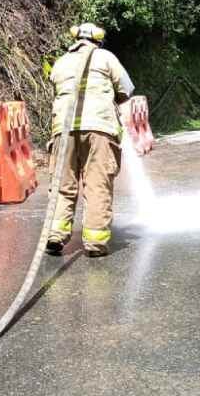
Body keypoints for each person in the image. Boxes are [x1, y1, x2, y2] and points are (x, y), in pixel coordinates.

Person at [46, 22, 148, 257]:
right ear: (98, 40)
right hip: (99, 129)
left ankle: (56, 235)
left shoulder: (61, 62)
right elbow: (125, 90)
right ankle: (95, 242)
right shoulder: (106, 57)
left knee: (63, 184)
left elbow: (55, 87)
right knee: (97, 183)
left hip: (64, 129)